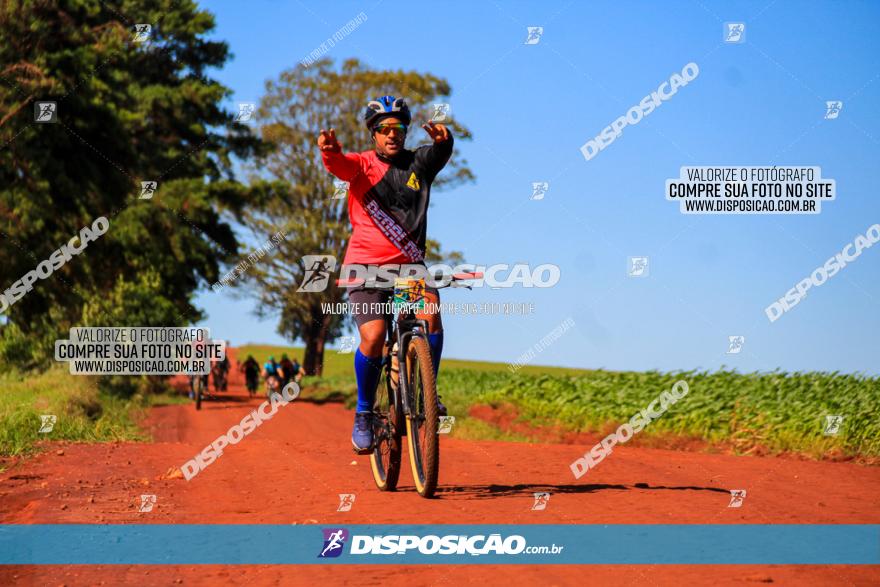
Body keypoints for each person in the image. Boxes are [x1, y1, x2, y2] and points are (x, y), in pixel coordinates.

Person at [318, 95, 452, 453]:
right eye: (384, 129)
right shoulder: (361, 165)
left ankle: (427, 395)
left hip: (409, 268)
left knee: (431, 315)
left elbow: (438, 153)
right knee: (375, 335)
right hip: (365, 268)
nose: (392, 135)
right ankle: (364, 412)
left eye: (399, 128)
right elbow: (338, 166)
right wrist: (329, 152)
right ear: (373, 134)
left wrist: (444, 140)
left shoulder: (418, 164)